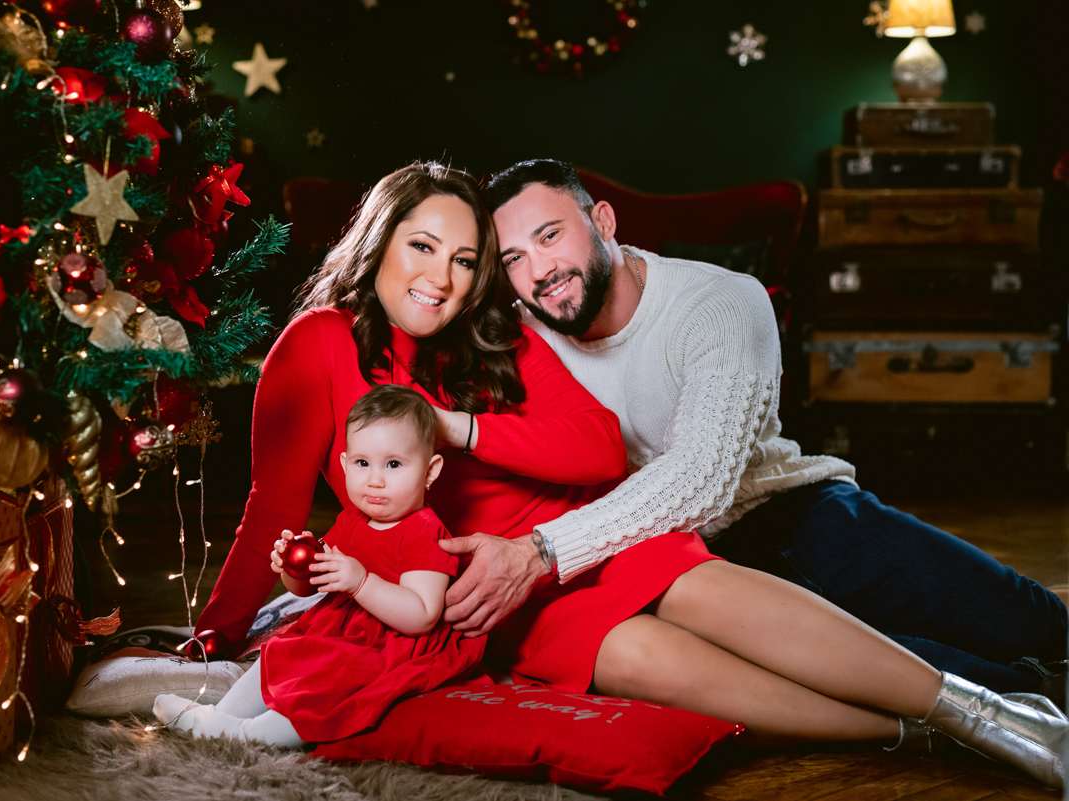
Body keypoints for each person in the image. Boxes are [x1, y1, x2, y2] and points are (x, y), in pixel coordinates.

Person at [191, 162, 1064, 787]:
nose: (442, 279)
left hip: (604, 526)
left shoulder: (503, 332)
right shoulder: (316, 345)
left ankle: (990, 713)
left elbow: (601, 451)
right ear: (379, 242)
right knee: (647, 662)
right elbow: (272, 502)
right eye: (423, 247)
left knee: (714, 592)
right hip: (478, 589)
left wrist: (459, 429)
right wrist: (212, 635)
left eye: (463, 260)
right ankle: (928, 734)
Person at [437, 159, 1068, 699]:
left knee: (1032, 624)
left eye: (550, 236)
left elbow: (702, 480)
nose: (540, 271)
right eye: (514, 258)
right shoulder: (518, 334)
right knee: (947, 678)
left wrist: (540, 551)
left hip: (792, 510)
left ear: (602, 221)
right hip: (680, 564)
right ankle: (1029, 702)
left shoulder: (721, 302)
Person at [153, 384, 481, 745]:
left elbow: (422, 616)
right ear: (344, 464)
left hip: (387, 645)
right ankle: (221, 715)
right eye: (362, 463)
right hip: (337, 629)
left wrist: (361, 583)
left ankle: (249, 735)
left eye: (393, 464)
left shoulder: (425, 533)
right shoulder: (352, 519)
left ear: (430, 471)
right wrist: (293, 568)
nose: (375, 480)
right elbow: (311, 585)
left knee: (327, 682)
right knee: (278, 654)